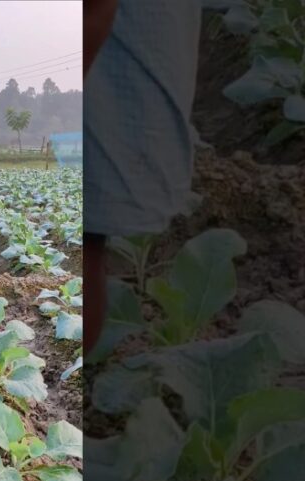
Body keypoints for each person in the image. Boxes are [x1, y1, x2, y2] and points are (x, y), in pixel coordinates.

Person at [84, 0, 202, 354]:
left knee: (89, 240)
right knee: (90, 242)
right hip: (114, 44)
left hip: (105, 51)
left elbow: (95, 11)